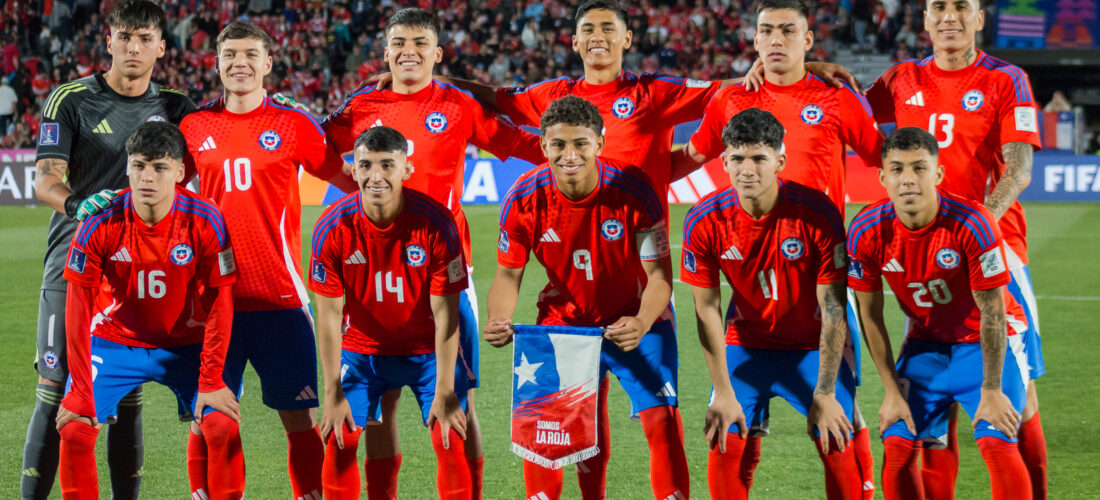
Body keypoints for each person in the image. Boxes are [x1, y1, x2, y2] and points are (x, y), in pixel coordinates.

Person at [321, 9, 543, 495]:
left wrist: (579, 152)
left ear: (437, 54)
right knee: (379, 409)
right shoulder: (361, 104)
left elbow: (514, 141)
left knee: (457, 407)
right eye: (399, 42)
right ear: (384, 53)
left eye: (420, 43)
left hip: (444, 277)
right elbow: (316, 147)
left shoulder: (457, 104)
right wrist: (351, 187)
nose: (409, 51)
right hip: (370, 280)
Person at [674, 2, 885, 493]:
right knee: (737, 430)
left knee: (841, 418)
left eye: (788, 31)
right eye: (766, 31)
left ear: (808, 41)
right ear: (752, 39)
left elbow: (884, 159)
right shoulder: (731, 98)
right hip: (749, 271)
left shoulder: (835, 98)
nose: (775, 40)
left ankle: (864, 483)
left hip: (819, 269)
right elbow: (694, 153)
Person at [865, 0, 1047, 495]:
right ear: (923, 19)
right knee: (932, 404)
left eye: (961, 6)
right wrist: (812, 69)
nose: (949, 16)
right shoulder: (901, 79)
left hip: (996, 247)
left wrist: (977, 226)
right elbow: (847, 111)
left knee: (1020, 397)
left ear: (979, 17)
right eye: (938, 7)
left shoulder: (1006, 79)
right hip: (922, 255)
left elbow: (1018, 169)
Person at [177, 21, 354, 500]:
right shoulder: (193, 128)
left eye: (251, 54)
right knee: (207, 414)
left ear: (269, 63)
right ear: (215, 62)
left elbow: (351, 182)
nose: (240, 63)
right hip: (214, 301)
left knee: (299, 417)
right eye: (230, 54)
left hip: (280, 297)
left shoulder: (293, 124)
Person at [28, 1, 196, 497]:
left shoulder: (178, 107)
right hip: (73, 264)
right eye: (124, 36)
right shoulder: (71, 99)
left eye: (145, 38)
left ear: (162, 47)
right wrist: (80, 205)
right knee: (56, 390)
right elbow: (44, 180)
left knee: (126, 396)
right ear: (109, 40)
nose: (134, 47)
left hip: (139, 272)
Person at [485, 96, 678, 500]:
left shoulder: (634, 188)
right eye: (558, 145)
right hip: (562, 324)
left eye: (581, 144)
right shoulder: (523, 199)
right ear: (543, 146)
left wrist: (642, 321)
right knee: (543, 433)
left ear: (600, 144)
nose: (569, 154)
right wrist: (500, 317)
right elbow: (507, 274)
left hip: (634, 318)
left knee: (663, 422)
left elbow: (660, 275)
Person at [55, 121, 243, 500]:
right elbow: (77, 308)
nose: (147, 177)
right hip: (114, 342)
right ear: (127, 166)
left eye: (159, 167)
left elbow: (221, 301)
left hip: (186, 345)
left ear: (179, 171)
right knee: (74, 427)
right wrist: (78, 388)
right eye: (139, 165)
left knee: (222, 424)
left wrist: (210, 379)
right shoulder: (99, 220)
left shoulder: (205, 219)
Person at [681, 108, 862, 499]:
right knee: (723, 441)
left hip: (811, 347)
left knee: (837, 440)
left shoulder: (817, 213)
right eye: (738, 158)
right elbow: (706, 310)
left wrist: (826, 393)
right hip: (746, 346)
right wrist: (722, 390)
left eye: (759, 158)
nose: (747, 169)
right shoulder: (704, 220)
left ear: (780, 160)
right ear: (724, 160)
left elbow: (834, 308)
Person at [847, 127, 1032, 500]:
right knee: (898, 445)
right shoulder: (865, 230)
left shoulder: (973, 223)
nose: (908, 179)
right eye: (897, 169)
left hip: (984, 344)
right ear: (882, 177)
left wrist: (992, 390)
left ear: (938, 174)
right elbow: (870, 315)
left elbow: (993, 310)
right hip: (925, 348)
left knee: (997, 442)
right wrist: (890, 392)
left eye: (920, 167)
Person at [312, 126, 472, 499]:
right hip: (362, 352)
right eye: (365, 165)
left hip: (426, 354)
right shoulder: (332, 227)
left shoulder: (436, 223)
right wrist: (333, 391)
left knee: (450, 436)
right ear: (353, 170)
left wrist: (446, 389)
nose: (376, 176)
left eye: (387, 165)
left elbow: (447, 317)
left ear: (407, 169)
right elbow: (329, 318)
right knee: (339, 439)